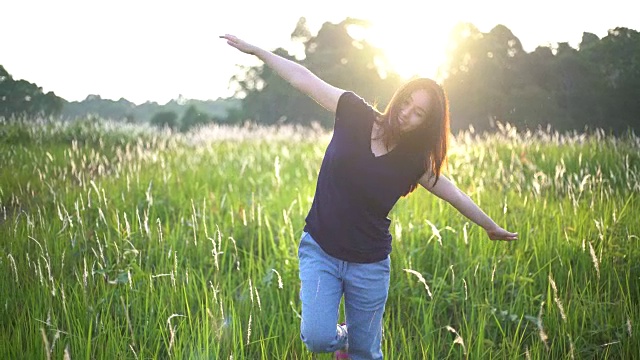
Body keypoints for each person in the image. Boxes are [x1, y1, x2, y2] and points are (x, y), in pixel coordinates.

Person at [220, 34, 518, 360]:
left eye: (419, 113)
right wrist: (258, 51)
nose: (406, 113)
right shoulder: (353, 112)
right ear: (398, 97)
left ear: (426, 123)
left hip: (370, 265)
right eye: (406, 102)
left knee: (366, 353)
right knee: (318, 338)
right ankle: (345, 337)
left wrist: (490, 226)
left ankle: (356, 343)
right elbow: (304, 78)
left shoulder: (413, 162)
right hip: (321, 250)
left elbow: (454, 194)